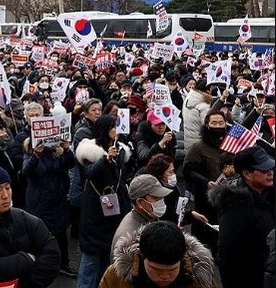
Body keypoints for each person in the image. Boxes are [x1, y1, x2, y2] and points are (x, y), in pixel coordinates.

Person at [75, 114, 133, 288]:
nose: (117, 130)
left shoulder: (121, 150)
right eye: (113, 127)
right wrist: (106, 159)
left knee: (107, 259)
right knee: (90, 261)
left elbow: (124, 176)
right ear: (104, 130)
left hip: (116, 208)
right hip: (95, 210)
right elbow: (89, 173)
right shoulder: (90, 151)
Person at [208, 146, 275, 288]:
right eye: (263, 170)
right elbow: (227, 256)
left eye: (271, 168)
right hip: (253, 279)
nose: (270, 173)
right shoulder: (235, 208)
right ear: (247, 174)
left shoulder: (269, 194)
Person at [99, 221, 217, 288]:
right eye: (156, 269)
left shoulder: (200, 280)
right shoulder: (116, 276)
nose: (165, 276)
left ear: (183, 258)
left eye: (172, 270)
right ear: (141, 255)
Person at [22, 134, 76, 277]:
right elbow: (25, 172)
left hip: (58, 198)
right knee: (42, 234)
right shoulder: (30, 150)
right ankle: (42, 266)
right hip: (40, 201)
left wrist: (67, 149)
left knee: (61, 232)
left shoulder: (55, 151)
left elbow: (70, 164)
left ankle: (64, 263)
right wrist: (35, 156)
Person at [183, 110, 231, 254]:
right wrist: (206, 182)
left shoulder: (230, 145)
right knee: (203, 236)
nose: (217, 126)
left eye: (221, 123)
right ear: (207, 125)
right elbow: (187, 171)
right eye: (214, 123)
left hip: (227, 197)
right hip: (205, 200)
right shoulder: (198, 147)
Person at [110, 174, 172, 257]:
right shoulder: (130, 238)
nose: (161, 201)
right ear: (140, 203)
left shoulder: (149, 218)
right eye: (155, 198)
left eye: (161, 197)